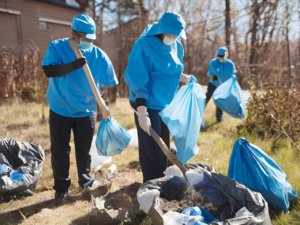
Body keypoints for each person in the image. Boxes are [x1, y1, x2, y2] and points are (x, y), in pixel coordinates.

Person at [41, 14, 118, 198]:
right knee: (60, 150)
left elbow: (109, 81)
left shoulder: (99, 55)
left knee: (84, 149)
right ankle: (61, 188)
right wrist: (72, 65)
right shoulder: (57, 47)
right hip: (61, 108)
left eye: (91, 38)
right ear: (74, 33)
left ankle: (84, 180)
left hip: (86, 110)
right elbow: (48, 70)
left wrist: (104, 102)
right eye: (84, 37)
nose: (88, 41)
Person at [125, 12, 195, 183]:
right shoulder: (143, 46)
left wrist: (184, 78)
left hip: (165, 103)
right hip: (146, 103)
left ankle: (162, 180)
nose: (175, 37)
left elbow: (170, 70)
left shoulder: (177, 45)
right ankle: (152, 185)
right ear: (162, 30)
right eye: (172, 34)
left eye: (178, 35)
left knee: (164, 144)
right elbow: (138, 80)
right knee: (152, 148)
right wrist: (142, 112)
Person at [205, 47, 236, 122]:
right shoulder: (213, 63)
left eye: (222, 57)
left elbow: (233, 74)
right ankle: (198, 113)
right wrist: (213, 75)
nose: (220, 58)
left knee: (220, 101)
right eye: (219, 57)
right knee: (207, 97)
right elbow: (208, 73)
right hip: (213, 84)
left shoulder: (230, 64)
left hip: (222, 86)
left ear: (226, 55)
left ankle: (219, 118)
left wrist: (232, 79)